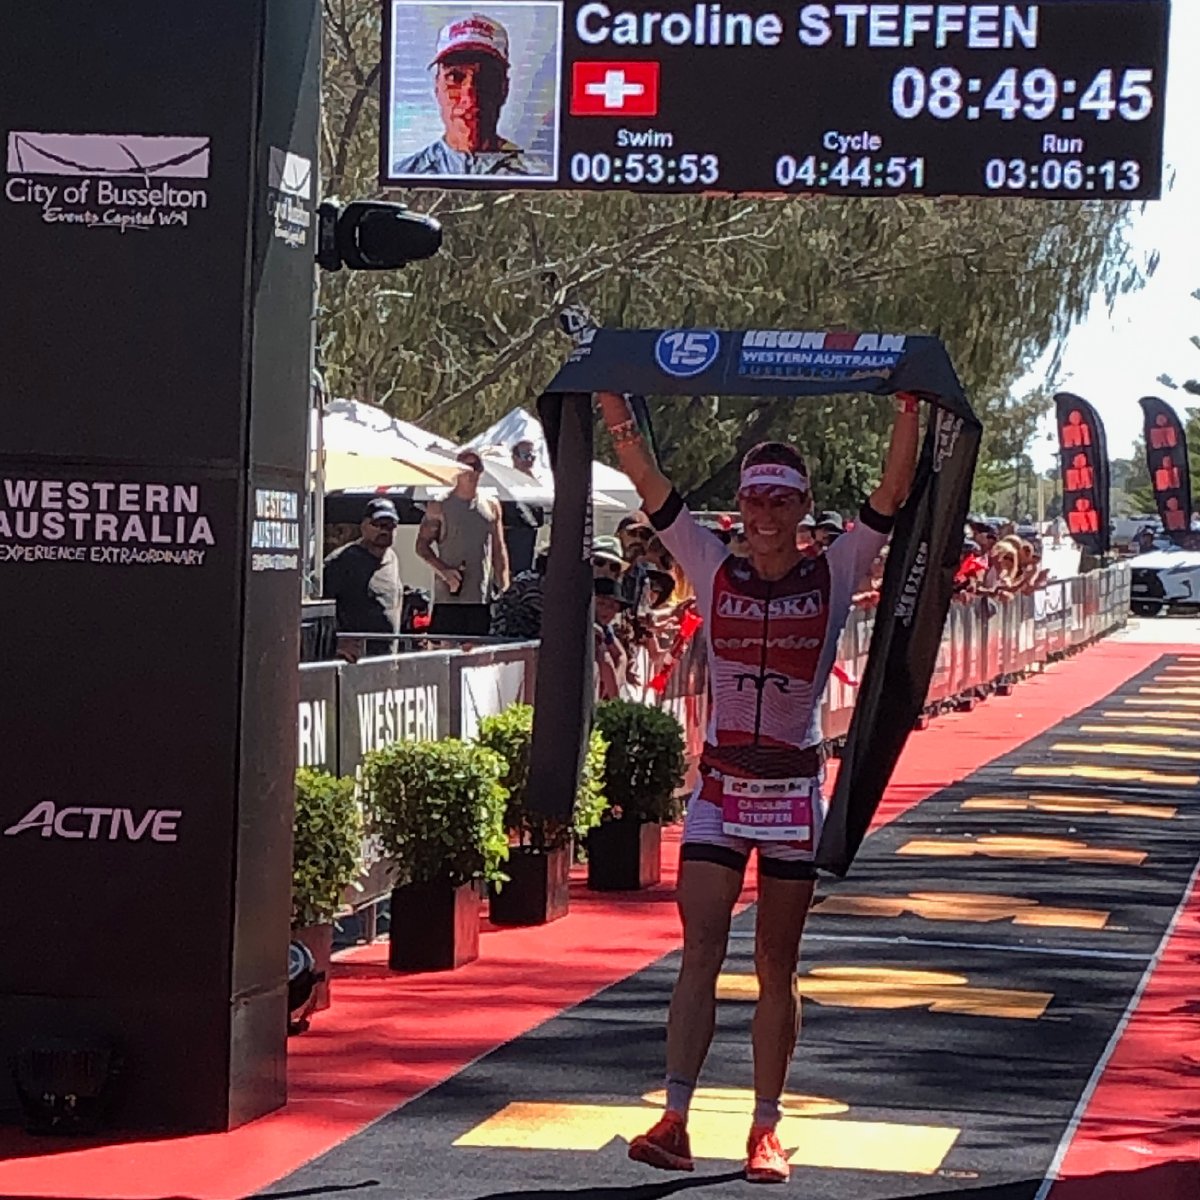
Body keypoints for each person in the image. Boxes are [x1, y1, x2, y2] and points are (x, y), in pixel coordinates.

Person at [597, 389, 918, 1184]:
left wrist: (908, 410)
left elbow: (892, 493)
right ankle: (675, 1117)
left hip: (793, 795)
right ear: (737, 508)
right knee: (699, 953)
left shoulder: (834, 569)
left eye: (781, 501)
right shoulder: (710, 562)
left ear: (804, 507)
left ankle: (765, 1128)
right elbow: (648, 480)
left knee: (777, 963)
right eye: (754, 500)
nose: (766, 515)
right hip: (720, 790)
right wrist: (611, 399)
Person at [392, 13, 550, 177]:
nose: (470, 97)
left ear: (504, 88)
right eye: (454, 77)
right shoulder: (405, 174)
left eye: (486, 77)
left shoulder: (538, 177)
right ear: (437, 87)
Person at [416, 449, 510, 636]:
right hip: (449, 598)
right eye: (466, 466)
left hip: (480, 598)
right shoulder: (439, 505)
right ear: (457, 470)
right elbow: (421, 546)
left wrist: (505, 587)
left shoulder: (491, 505)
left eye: (476, 466)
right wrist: (444, 571)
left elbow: (499, 549)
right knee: (446, 649)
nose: (472, 471)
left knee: (480, 650)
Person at [322, 498, 403, 661]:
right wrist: (337, 643)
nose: (384, 531)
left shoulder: (392, 558)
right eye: (378, 524)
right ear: (364, 526)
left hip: (386, 658)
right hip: (353, 662)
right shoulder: (342, 560)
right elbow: (321, 609)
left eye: (390, 526)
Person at [502, 440, 545, 576]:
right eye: (526, 456)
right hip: (511, 541)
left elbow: (541, 517)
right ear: (514, 458)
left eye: (532, 457)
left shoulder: (536, 484)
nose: (529, 460)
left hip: (531, 541)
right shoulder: (504, 481)